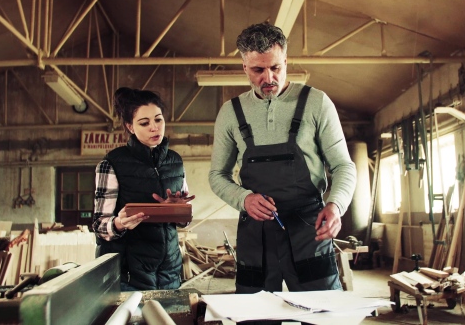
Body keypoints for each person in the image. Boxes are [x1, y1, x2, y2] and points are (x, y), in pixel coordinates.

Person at [208, 22, 357, 295]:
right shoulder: (230, 113)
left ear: (286, 61)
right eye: (258, 70)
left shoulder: (317, 103)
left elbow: (343, 165)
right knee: (256, 317)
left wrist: (336, 205)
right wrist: (243, 199)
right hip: (256, 234)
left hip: (309, 229)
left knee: (321, 313)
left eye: (276, 67)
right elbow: (217, 175)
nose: (269, 78)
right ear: (244, 68)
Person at [93, 87, 195, 291]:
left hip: (169, 271)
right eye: (144, 123)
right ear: (130, 127)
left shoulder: (175, 162)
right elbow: (99, 225)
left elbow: (183, 222)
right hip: (129, 274)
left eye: (158, 120)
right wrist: (120, 223)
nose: (154, 128)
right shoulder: (112, 163)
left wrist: (179, 211)